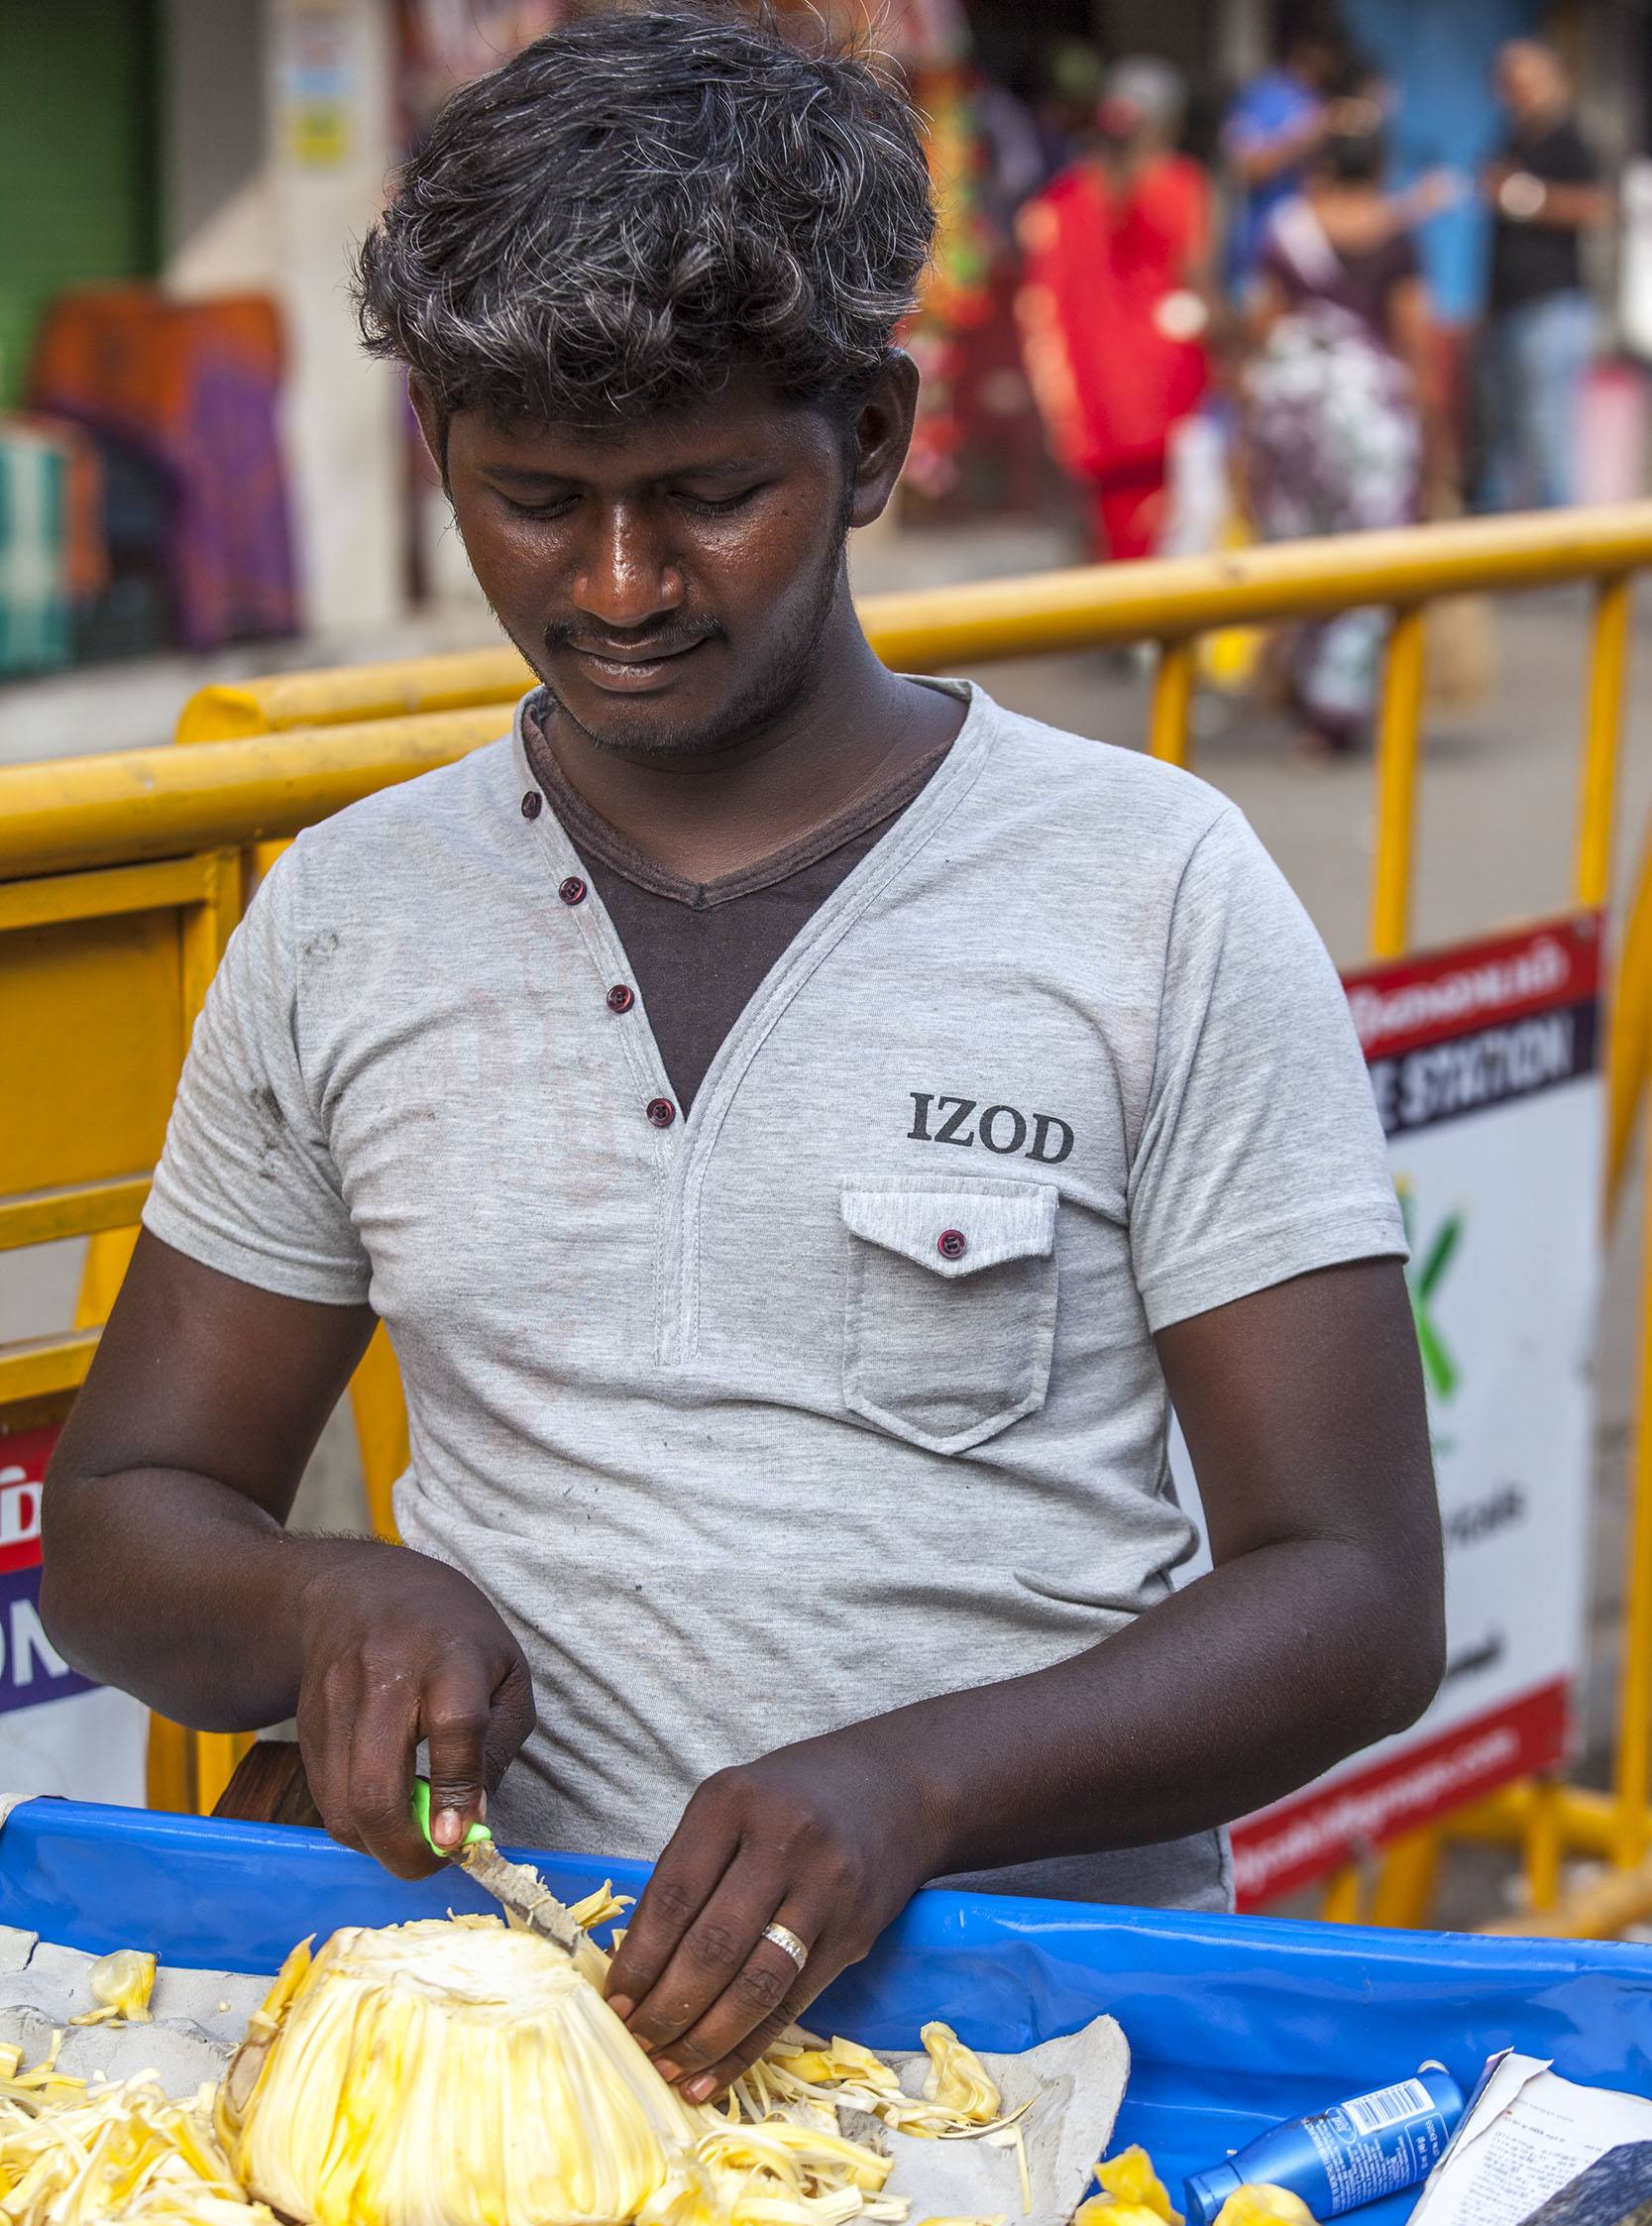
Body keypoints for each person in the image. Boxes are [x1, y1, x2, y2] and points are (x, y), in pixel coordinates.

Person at [41, 10, 1443, 2106]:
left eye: (705, 496)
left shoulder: (1145, 887)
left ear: (867, 440)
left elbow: (1346, 1590)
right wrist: (326, 1602)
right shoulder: (345, 919)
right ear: (439, 452)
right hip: (513, 2054)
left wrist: (917, 1787)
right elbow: (125, 1518)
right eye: (535, 503)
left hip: (1046, 2063)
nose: (614, 586)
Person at [1243, 123, 1442, 749]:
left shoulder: (1287, 229)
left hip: (1292, 416)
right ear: (1381, 168)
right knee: (1373, 558)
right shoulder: (1397, 234)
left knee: (1301, 551)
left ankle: (1300, 685)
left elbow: (1263, 326)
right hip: (1367, 421)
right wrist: (1436, 426)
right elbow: (1415, 333)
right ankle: (1335, 710)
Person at [1018, 56, 1213, 560]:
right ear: (1167, 122)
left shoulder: (1058, 202)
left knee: (1112, 544)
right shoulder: (1180, 186)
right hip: (1168, 399)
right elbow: (1199, 283)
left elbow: (1039, 307)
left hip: (1092, 406)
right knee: (1169, 546)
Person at [1479, 39, 1608, 511]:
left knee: (1546, 430)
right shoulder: (1512, 138)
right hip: (1508, 307)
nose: (1512, 93)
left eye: (1521, 82)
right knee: (1505, 434)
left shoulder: (1570, 137)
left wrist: (1524, 198)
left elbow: (1597, 207)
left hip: (1552, 306)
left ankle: (1565, 553)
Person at [1221, 17, 1349, 281]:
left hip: (1303, 250)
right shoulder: (1264, 96)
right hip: (1261, 249)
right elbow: (1248, 170)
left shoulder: (1316, 100)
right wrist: (1306, 138)